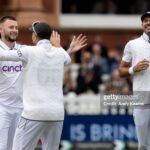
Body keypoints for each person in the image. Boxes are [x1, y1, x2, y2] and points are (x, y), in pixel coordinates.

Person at [0, 21, 87, 150]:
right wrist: (67, 49)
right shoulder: (59, 52)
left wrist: (63, 49)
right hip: (56, 115)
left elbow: (3, 55)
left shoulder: (28, 51)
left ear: (35, 36)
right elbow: (66, 59)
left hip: (33, 114)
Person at [119, 11, 150, 150]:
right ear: (142, 24)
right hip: (141, 97)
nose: (148, 22)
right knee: (143, 144)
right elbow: (121, 71)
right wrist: (133, 69)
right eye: (146, 20)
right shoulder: (133, 44)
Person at [0, 15, 25, 150]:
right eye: (11, 27)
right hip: (2, 108)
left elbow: (47, 57)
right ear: (1, 30)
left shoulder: (23, 50)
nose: (14, 30)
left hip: (21, 109)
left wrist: (68, 51)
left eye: (16, 27)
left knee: (17, 148)